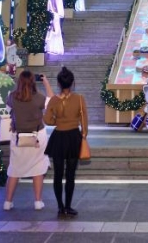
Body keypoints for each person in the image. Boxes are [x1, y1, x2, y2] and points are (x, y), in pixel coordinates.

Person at [4, 70, 54, 211]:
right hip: (37, 136)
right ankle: (38, 201)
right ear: (33, 82)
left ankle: (8, 202)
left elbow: (7, 111)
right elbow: (52, 102)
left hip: (18, 137)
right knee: (38, 168)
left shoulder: (12, 97)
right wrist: (46, 82)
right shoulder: (39, 97)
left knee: (14, 168)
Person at [44, 67, 88, 218]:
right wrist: (83, 134)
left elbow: (47, 120)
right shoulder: (79, 99)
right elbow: (84, 122)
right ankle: (69, 206)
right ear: (72, 83)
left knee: (57, 174)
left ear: (58, 83)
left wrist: (58, 120)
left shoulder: (54, 100)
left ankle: (60, 207)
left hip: (58, 138)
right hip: (73, 137)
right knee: (70, 174)